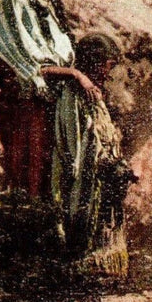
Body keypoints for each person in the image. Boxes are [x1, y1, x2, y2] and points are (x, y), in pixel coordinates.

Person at [0, 0, 103, 197]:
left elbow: (58, 55)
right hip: (25, 104)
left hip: (48, 104)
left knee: (52, 176)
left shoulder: (46, 8)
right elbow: (25, 61)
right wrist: (74, 75)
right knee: (29, 176)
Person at [51, 33, 135, 276]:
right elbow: (78, 146)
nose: (109, 73)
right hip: (87, 182)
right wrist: (108, 165)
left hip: (103, 178)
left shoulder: (92, 93)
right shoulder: (72, 95)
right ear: (96, 63)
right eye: (108, 66)